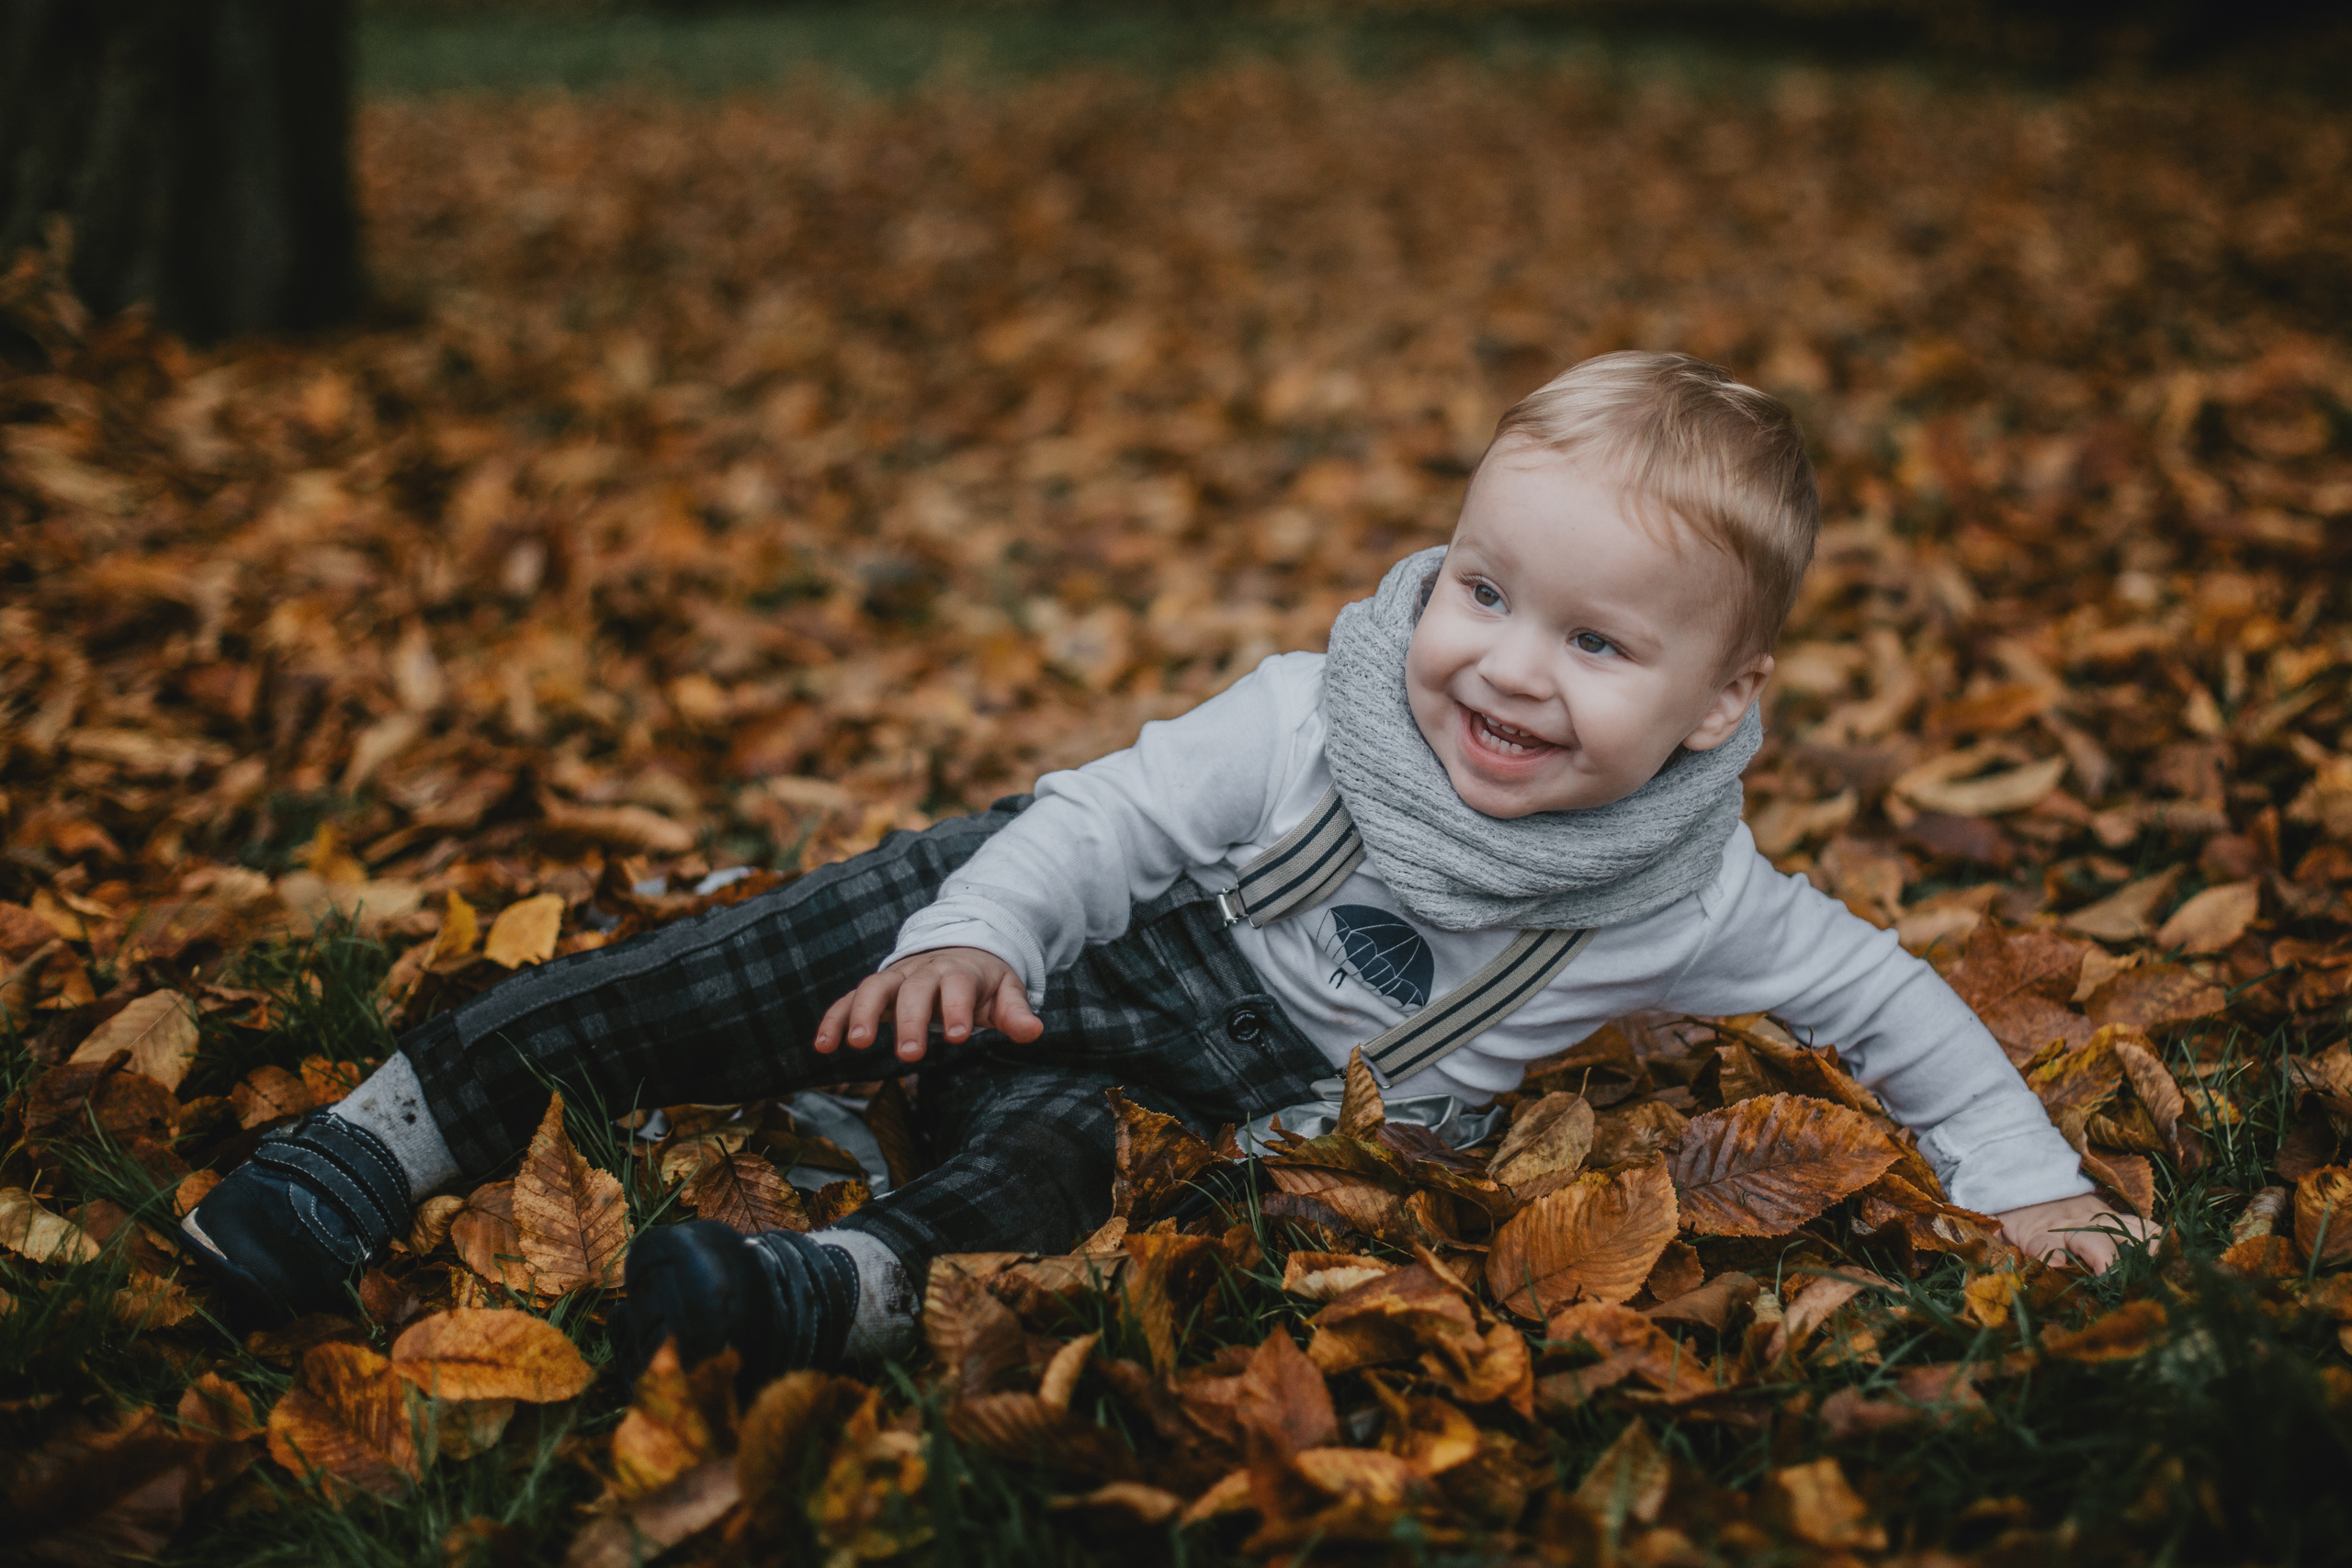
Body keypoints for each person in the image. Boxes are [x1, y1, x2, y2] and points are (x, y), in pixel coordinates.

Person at [180, 352, 2147, 1384]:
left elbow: (1887, 1001)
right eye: (1482, 589)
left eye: (1598, 643)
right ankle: (400, 1122)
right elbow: (1108, 820)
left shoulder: (1682, 893)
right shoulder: (1316, 714)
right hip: (1052, 934)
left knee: (1086, 1184)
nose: (1504, 670)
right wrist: (973, 926)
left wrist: (2030, 1188)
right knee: (777, 949)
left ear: (1722, 705)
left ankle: (830, 1286)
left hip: (1199, 1086)